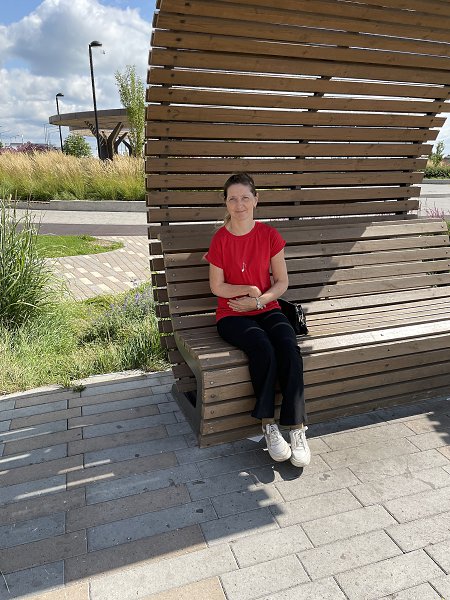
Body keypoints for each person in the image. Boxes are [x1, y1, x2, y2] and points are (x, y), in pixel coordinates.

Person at [204, 173, 310, 467]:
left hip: (267, 308)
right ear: (226, 203)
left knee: (288, 346)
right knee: (262, 347)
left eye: (245, 198)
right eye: (233, 199)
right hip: (232, 315)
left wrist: (259, 299)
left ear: (256, 200)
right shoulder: (220, 239)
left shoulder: (269, 235)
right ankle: (268, 425)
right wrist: (249, 290)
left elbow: (282, 282)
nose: (239, 205)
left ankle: (297, 427)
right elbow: (217, 287)